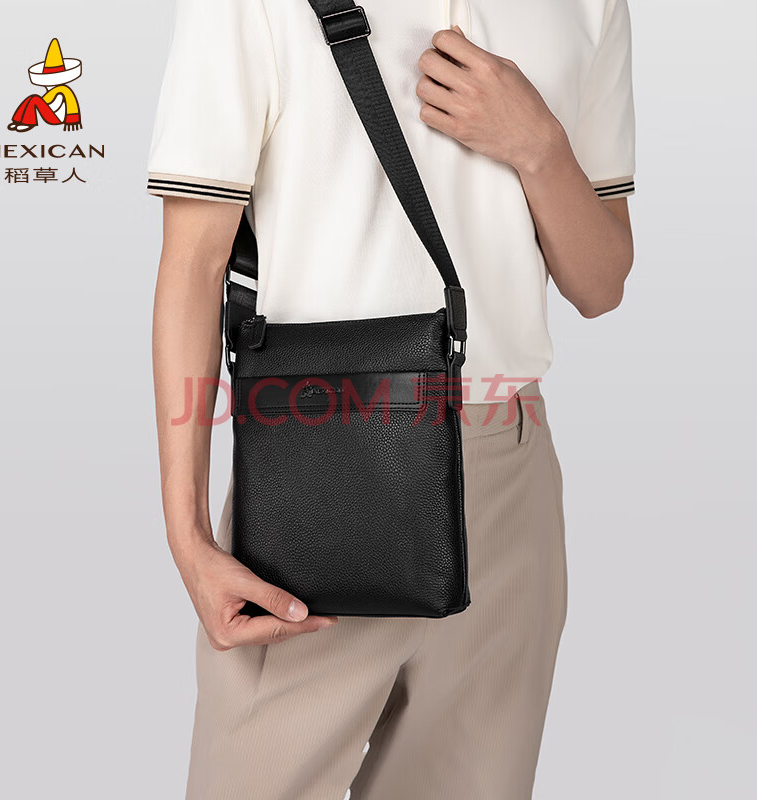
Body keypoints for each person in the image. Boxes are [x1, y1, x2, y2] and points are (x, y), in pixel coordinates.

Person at [146, 1, 635, 797]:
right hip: (322, 474)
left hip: (507, 480)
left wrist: (538, 145)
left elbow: (601, 282)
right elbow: (193, 263)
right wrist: (187, 534)